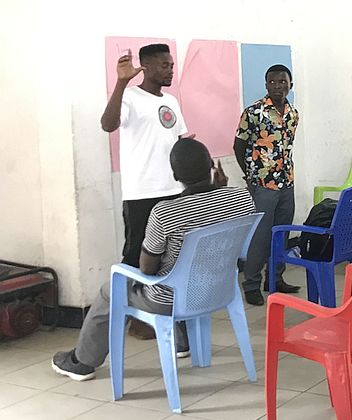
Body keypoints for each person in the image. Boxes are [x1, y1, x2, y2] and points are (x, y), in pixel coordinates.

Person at [51, 139, 254, 381]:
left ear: (174, 174)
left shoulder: (165, 212)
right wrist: (221, 189)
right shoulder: (241, 198)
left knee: (112, 289)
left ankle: (82, 362)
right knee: (176, 278)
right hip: (219, 290)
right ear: (212, 165)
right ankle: (182, 343)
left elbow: (147, 269)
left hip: (171, 299)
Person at [101, 43, 192, 339]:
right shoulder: (129, 96)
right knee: (136, 254)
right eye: (164, 65)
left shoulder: (172, 101)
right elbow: (107, 124)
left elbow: (180, 140)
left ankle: (164, 310)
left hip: (174, 188)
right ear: (147, 67)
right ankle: (133, 316)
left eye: (172, 65)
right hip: (141, 192)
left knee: (171, 256)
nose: (170, 70)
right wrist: (121, 82)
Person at [235, 64, 301, 306]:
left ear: (290, 85)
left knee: (281, 233)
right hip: (263, 184)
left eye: (282, 81)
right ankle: (251, 284)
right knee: (260, 236)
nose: (278, 86)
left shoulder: (293, 114)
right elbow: (238, 147)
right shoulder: (253, 112)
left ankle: (275, 279)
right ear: (266, 85)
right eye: (272, 82)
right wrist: (251, 176)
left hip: (287, 182)